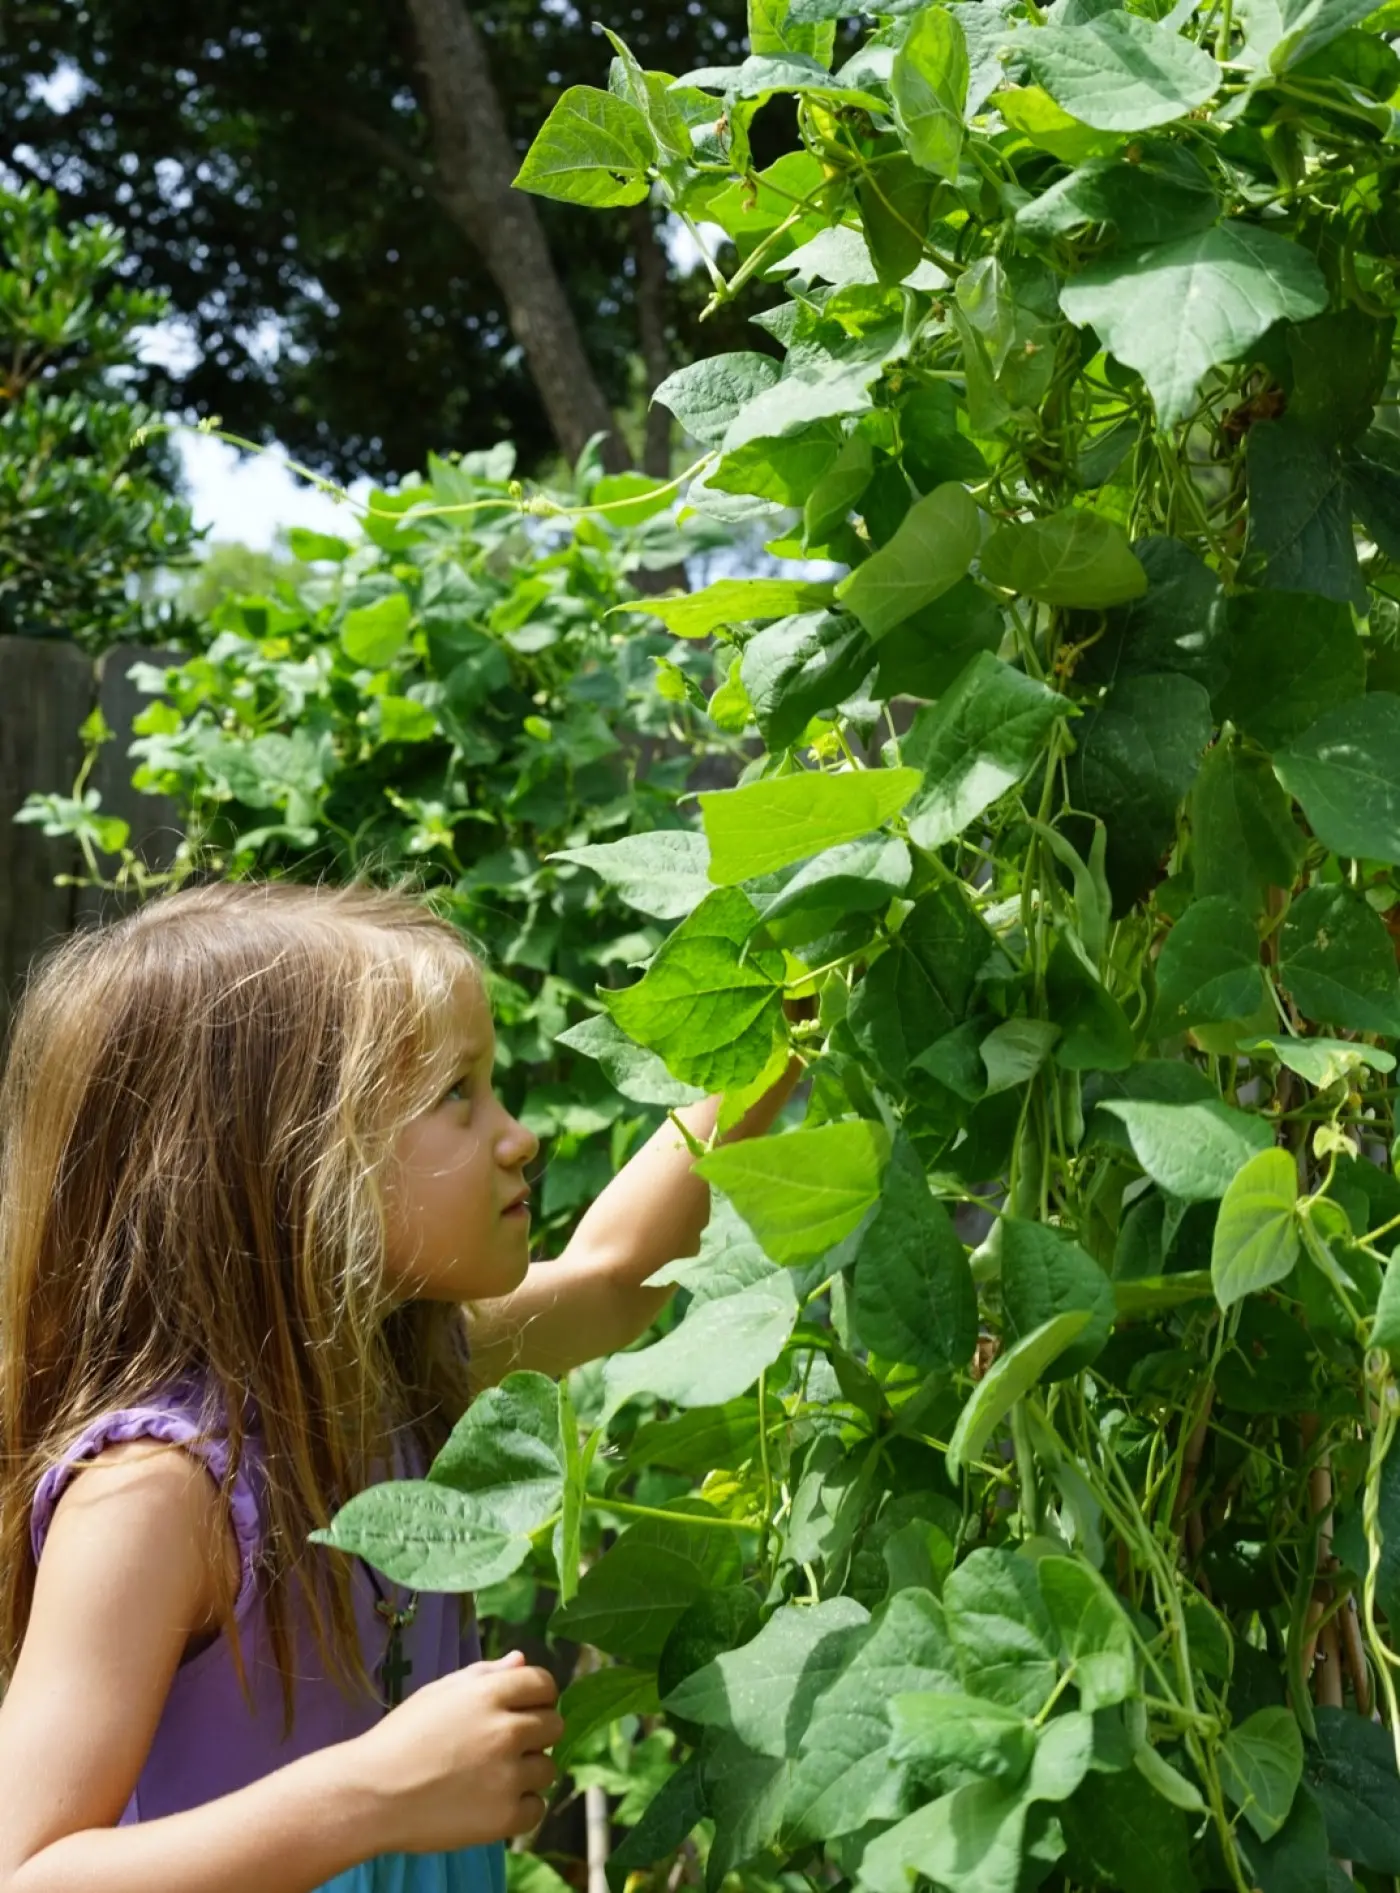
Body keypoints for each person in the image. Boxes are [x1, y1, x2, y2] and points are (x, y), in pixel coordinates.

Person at [0, 879, 803, 1893]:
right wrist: (373, 1794)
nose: (517, 1136)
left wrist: (787, 1027)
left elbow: (610, 1277)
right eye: (456, 1094)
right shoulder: (160, 1493)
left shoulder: (395, 1375)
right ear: (289, 1162)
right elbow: (26, 1872)